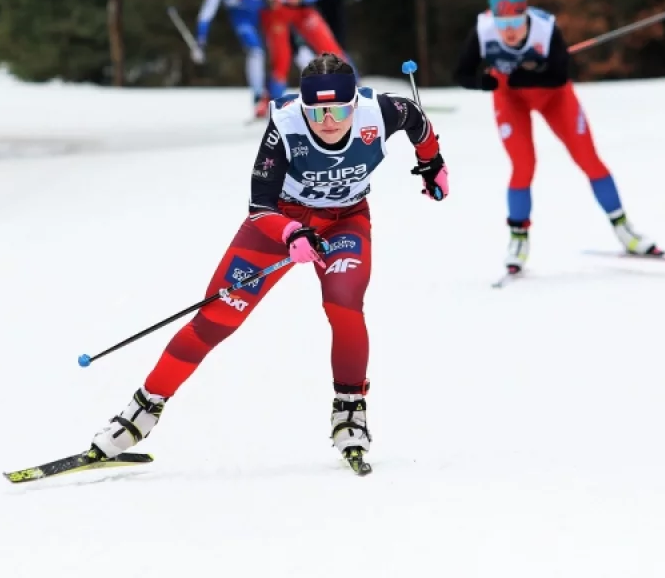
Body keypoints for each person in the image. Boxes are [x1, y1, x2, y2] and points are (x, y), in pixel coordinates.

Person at [87, 53, 450, 473]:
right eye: (318, 110)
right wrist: (290, 233)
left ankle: (350, 410)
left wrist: (432, 163)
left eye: (338, 109)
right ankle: (142, 412)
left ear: (355, 104)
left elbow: (417, 121)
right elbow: (259, 204)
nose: (328, 120)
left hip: (345, 221)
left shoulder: (382, 112)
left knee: (343, 303)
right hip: (281, 221)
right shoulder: (286, 125)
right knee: (215, 317)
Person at [453, 0, 662, 274]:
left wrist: (527, 73)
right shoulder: (483, 30)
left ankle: (625, 230)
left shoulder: (545, 28)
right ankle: (518, 240)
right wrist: (482, 82)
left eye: (515, 22)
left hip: (554, 98)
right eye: (502, 24)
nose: (509, 31)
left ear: (525, 16)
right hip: (510, 101)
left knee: (588, 159)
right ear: (493, 20)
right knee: (523, 165)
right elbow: (460, 73)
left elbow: (559, 74)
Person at [194, 0, 269, 118]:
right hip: (241, 17)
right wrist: (201, 38)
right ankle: (258, 98)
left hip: (264, 12)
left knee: (285, 52)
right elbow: (209, 6)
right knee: (255, 52)